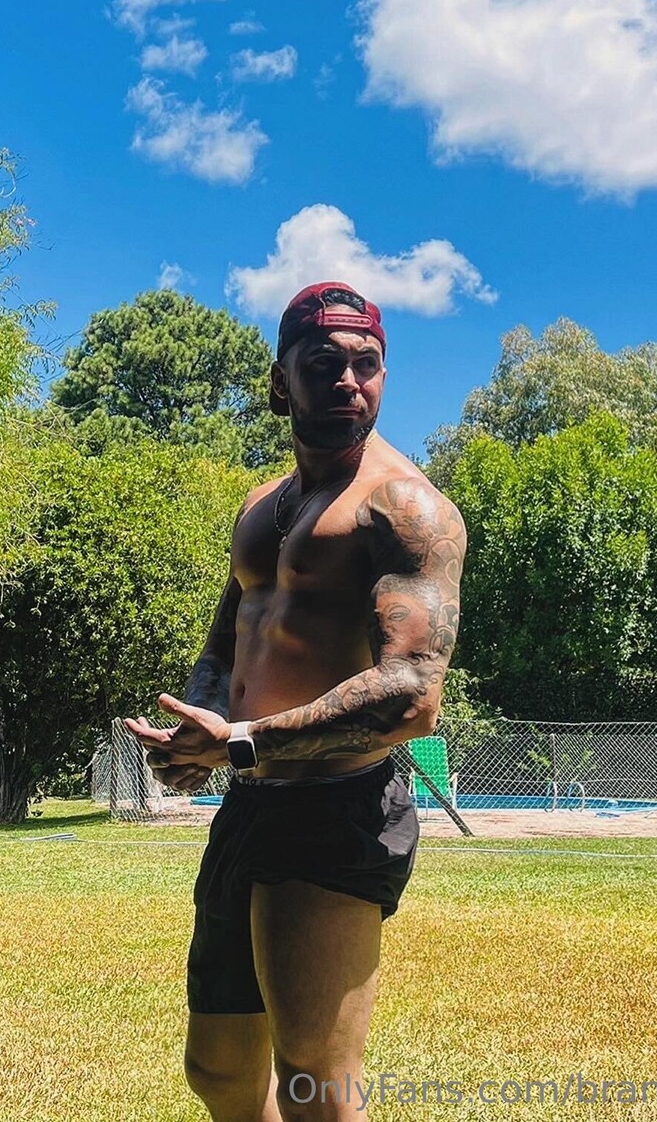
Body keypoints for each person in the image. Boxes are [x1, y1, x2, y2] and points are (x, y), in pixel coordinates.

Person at [125, 282, 466, 1122]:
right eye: (324, 363)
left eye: (367, 363)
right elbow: (227, 634)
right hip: (250, 804)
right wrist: (195, 727)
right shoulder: (261, 507)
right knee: (218, 1069)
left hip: (338, 805)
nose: (350, 380)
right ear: (281, 382)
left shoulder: (405, 509)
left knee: (314, 1074)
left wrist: (239, 740)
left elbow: (413, 695)